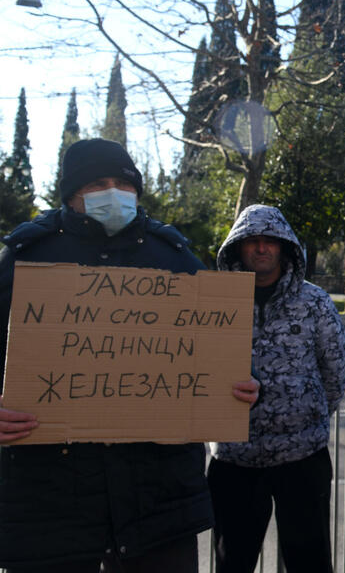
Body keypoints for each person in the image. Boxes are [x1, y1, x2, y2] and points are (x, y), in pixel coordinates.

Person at [0, 138, 259, 573]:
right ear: (71, 194)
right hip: (48, 512)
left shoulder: (175, 259)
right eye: (98, 183)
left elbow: (220, 357)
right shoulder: (22, 260)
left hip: (158, 511)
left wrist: (244, 388)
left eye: (123, 182)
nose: (114, 192)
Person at [210, 204, 345, 573]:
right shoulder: (213, 302)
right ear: (236, 248)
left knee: (310, 562)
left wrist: (304, 415)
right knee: (231, 561)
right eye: (251, 241)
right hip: (233, 461)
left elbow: (335, 374)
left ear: (285, 247)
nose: (260, 248)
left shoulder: (315, 303)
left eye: (269, 241)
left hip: (302, 459)